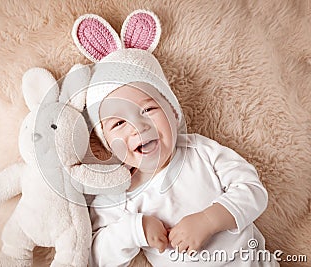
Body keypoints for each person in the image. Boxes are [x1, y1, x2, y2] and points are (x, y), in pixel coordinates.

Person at [72, 10, 279, 267]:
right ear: (106, 142)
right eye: (119, 123)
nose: (138, 127)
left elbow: (253, 191)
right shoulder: (117, 193)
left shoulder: (200, 150)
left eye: (148, 110)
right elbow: (96, 257)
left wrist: (209, 219)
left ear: (172, 111)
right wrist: (135, 230)